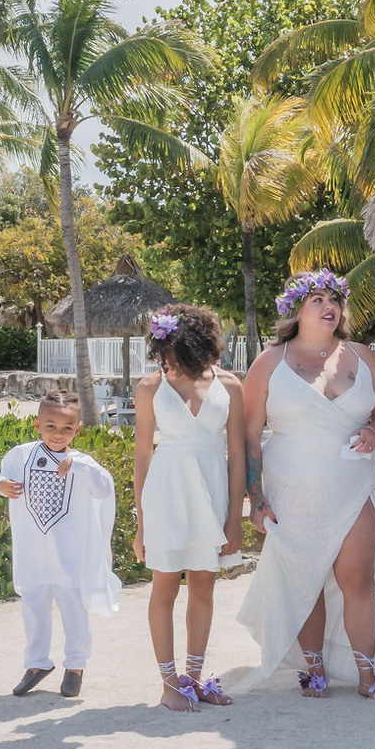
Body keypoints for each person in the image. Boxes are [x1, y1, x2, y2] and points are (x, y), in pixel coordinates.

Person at [237, 270, 375, 702]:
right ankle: (315, 669)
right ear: (296, 310)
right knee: (304, 580)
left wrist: (374, 431)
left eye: (335, 299)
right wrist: (255, 497)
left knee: (358, 580)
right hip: (291, 489)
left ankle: (367, 674)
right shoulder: (269, 363)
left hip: (351, 485)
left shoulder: (362, 356)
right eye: (318, 300)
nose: (330, 306)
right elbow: (249, 434)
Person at [133, 304, 245, 713]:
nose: (170, 363)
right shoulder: (149, 387)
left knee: (203, 586)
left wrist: (235, 518)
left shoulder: (229, 385)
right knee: (163, 588)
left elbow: (237, 455)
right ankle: (169, 685)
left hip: (212, 495)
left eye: (178, 354)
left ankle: (194, 680)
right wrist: (141, 525)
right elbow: (142, 458)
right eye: (164, 354)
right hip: (166, 496)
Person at [0, 391, 119, 699]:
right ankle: (36, 663)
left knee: (73, 609)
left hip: (69, 554)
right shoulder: (21, 455)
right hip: (32, 551)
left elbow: (104, 489)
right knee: (33, 606)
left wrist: (78, 467)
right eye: (50, 426)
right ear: (38, 424)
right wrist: (1, 485)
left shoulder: (83, 463)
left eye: (67, 428)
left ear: (77, 429)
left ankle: (75, 665)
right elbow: (1, 476)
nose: (58, 434)